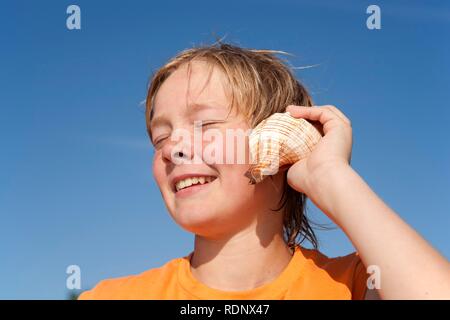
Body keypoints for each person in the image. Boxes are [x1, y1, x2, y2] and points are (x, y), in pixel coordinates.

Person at [79, 43, 449, 300]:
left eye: (205, 125)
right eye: (160, 137)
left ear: (271, 137)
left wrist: (332, 177)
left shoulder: (352, 286)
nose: (173, 149)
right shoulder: (111, 295)